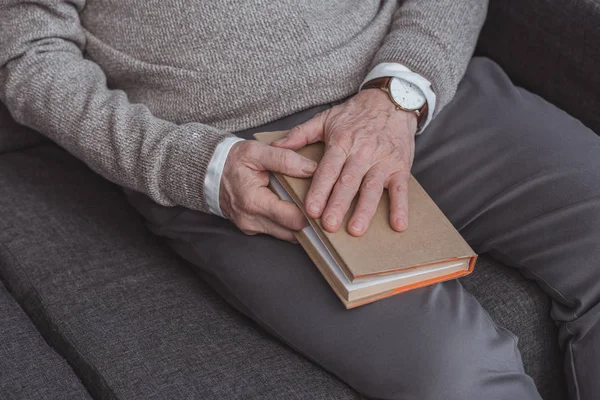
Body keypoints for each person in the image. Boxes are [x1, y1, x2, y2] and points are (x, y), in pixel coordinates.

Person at [1, 1, 598, 399]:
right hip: (241, 163)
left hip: (414, 90)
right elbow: (27, 52)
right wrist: (196, 166)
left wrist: (399, 91)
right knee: (457, 375)